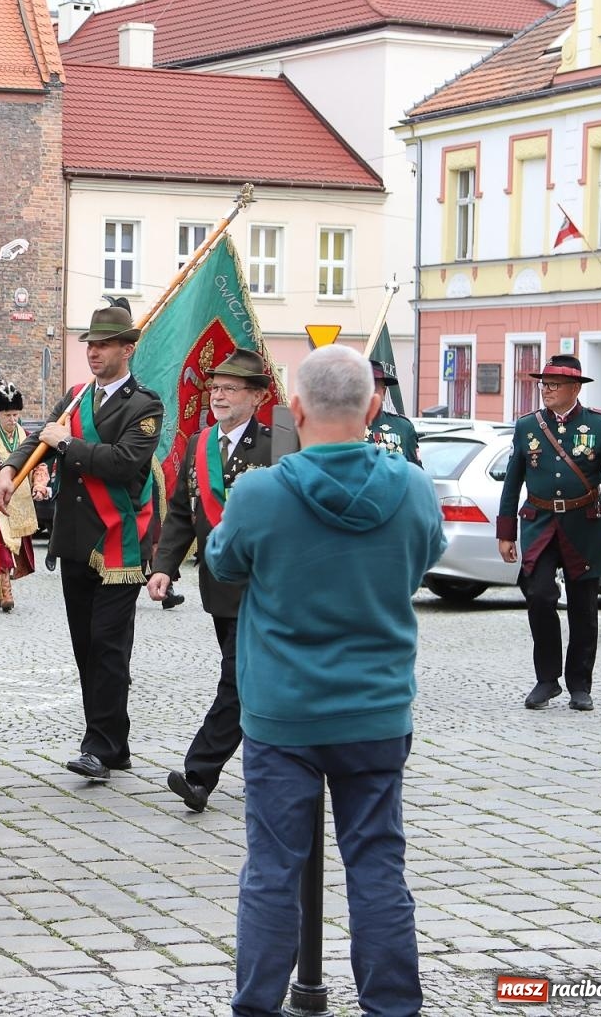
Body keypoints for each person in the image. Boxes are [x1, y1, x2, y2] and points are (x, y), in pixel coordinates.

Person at [205, 344, 444, 1017]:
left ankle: (257, 1005)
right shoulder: (413, 487)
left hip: (284, 712)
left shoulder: (260, 492)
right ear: (372, 409)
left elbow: (223, 563)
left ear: (295, 409)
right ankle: (392, 1006)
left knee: (272, 870)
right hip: (376, 708)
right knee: (377, 865)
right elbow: (425, 557)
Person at [0, 304, 162, 782]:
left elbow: (124, 462)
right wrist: (10, 468)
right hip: (74, 540)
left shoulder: (144, 405)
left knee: (109, 647)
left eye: (104, 345)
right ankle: (115, 744)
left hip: (118, 541)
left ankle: (98, 747)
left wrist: (67, 444)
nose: (94, 352)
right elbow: (39, 440)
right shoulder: (75, 397)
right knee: (87, 647)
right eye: (91, 344)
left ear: (127, 349)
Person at [147, 348, 295, 813]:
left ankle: (199, 775)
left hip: (264, 586)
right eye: (215, 388)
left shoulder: (280, 443)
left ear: (257, 396)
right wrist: (164, 566)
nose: (219, 396)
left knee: (237, 679)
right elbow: (181, 512)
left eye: (231, 388)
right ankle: (281, 766)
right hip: (219, 587)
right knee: (257, 683)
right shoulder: (199, 444)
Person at [496, 354, 601, 711]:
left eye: (554, 385)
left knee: (583, 607)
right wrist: (506, 532)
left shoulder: (600, 425)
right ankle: (547, 680)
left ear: (575, 388)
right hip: (540, 523)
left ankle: (579, 685)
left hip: (584, 526)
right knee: (539, 595)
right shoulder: (528, 426)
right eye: (544, 385)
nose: (546, 390)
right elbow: (512, 481)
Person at [0, 383, 49, 612]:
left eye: (15, 415)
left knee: (14, 546)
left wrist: (40, 484)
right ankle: (5, 592)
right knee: (2, 543)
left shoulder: (27, 437)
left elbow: (39, 464)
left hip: (20, 500)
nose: (12, 420)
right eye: (7, 415)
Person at [366, 361, 420, 465]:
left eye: (374, 388)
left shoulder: (402, 427)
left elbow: (415, 469)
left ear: (384, 392)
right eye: (364, 388)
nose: (369, 393)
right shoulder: (341, 426)